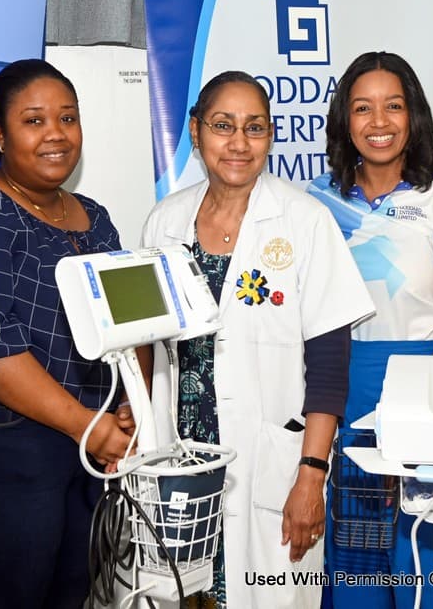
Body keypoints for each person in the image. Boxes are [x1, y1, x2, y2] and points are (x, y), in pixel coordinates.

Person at [140, 71, 375, 608]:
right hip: (182, 460)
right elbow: (148, 348)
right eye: (224, 126)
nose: (239, 143)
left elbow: (330, 365)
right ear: (196, 131)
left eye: (255, 128)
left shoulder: (305, 222)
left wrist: (311, 477)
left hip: (274, 462)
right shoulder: (164, 223)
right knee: (180, 594)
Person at [0, 59, 137, 609]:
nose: (56, 134)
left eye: (68, 118)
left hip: (95, 454)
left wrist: (130, 406)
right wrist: (91, 428)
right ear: (0, 135)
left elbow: (134, 323)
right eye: (34, 121)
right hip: (13, 457)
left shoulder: (97, 218)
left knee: (76, 594)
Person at [307, 52, 433, 609]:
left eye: (393, 106)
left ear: (414, 116)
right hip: (343, 389)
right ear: (344, 119)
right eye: (363, 108)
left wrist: (419, 417)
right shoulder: (318, 199)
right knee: (356, 561)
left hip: (424, 387)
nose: (378, 122)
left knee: (419, 561)